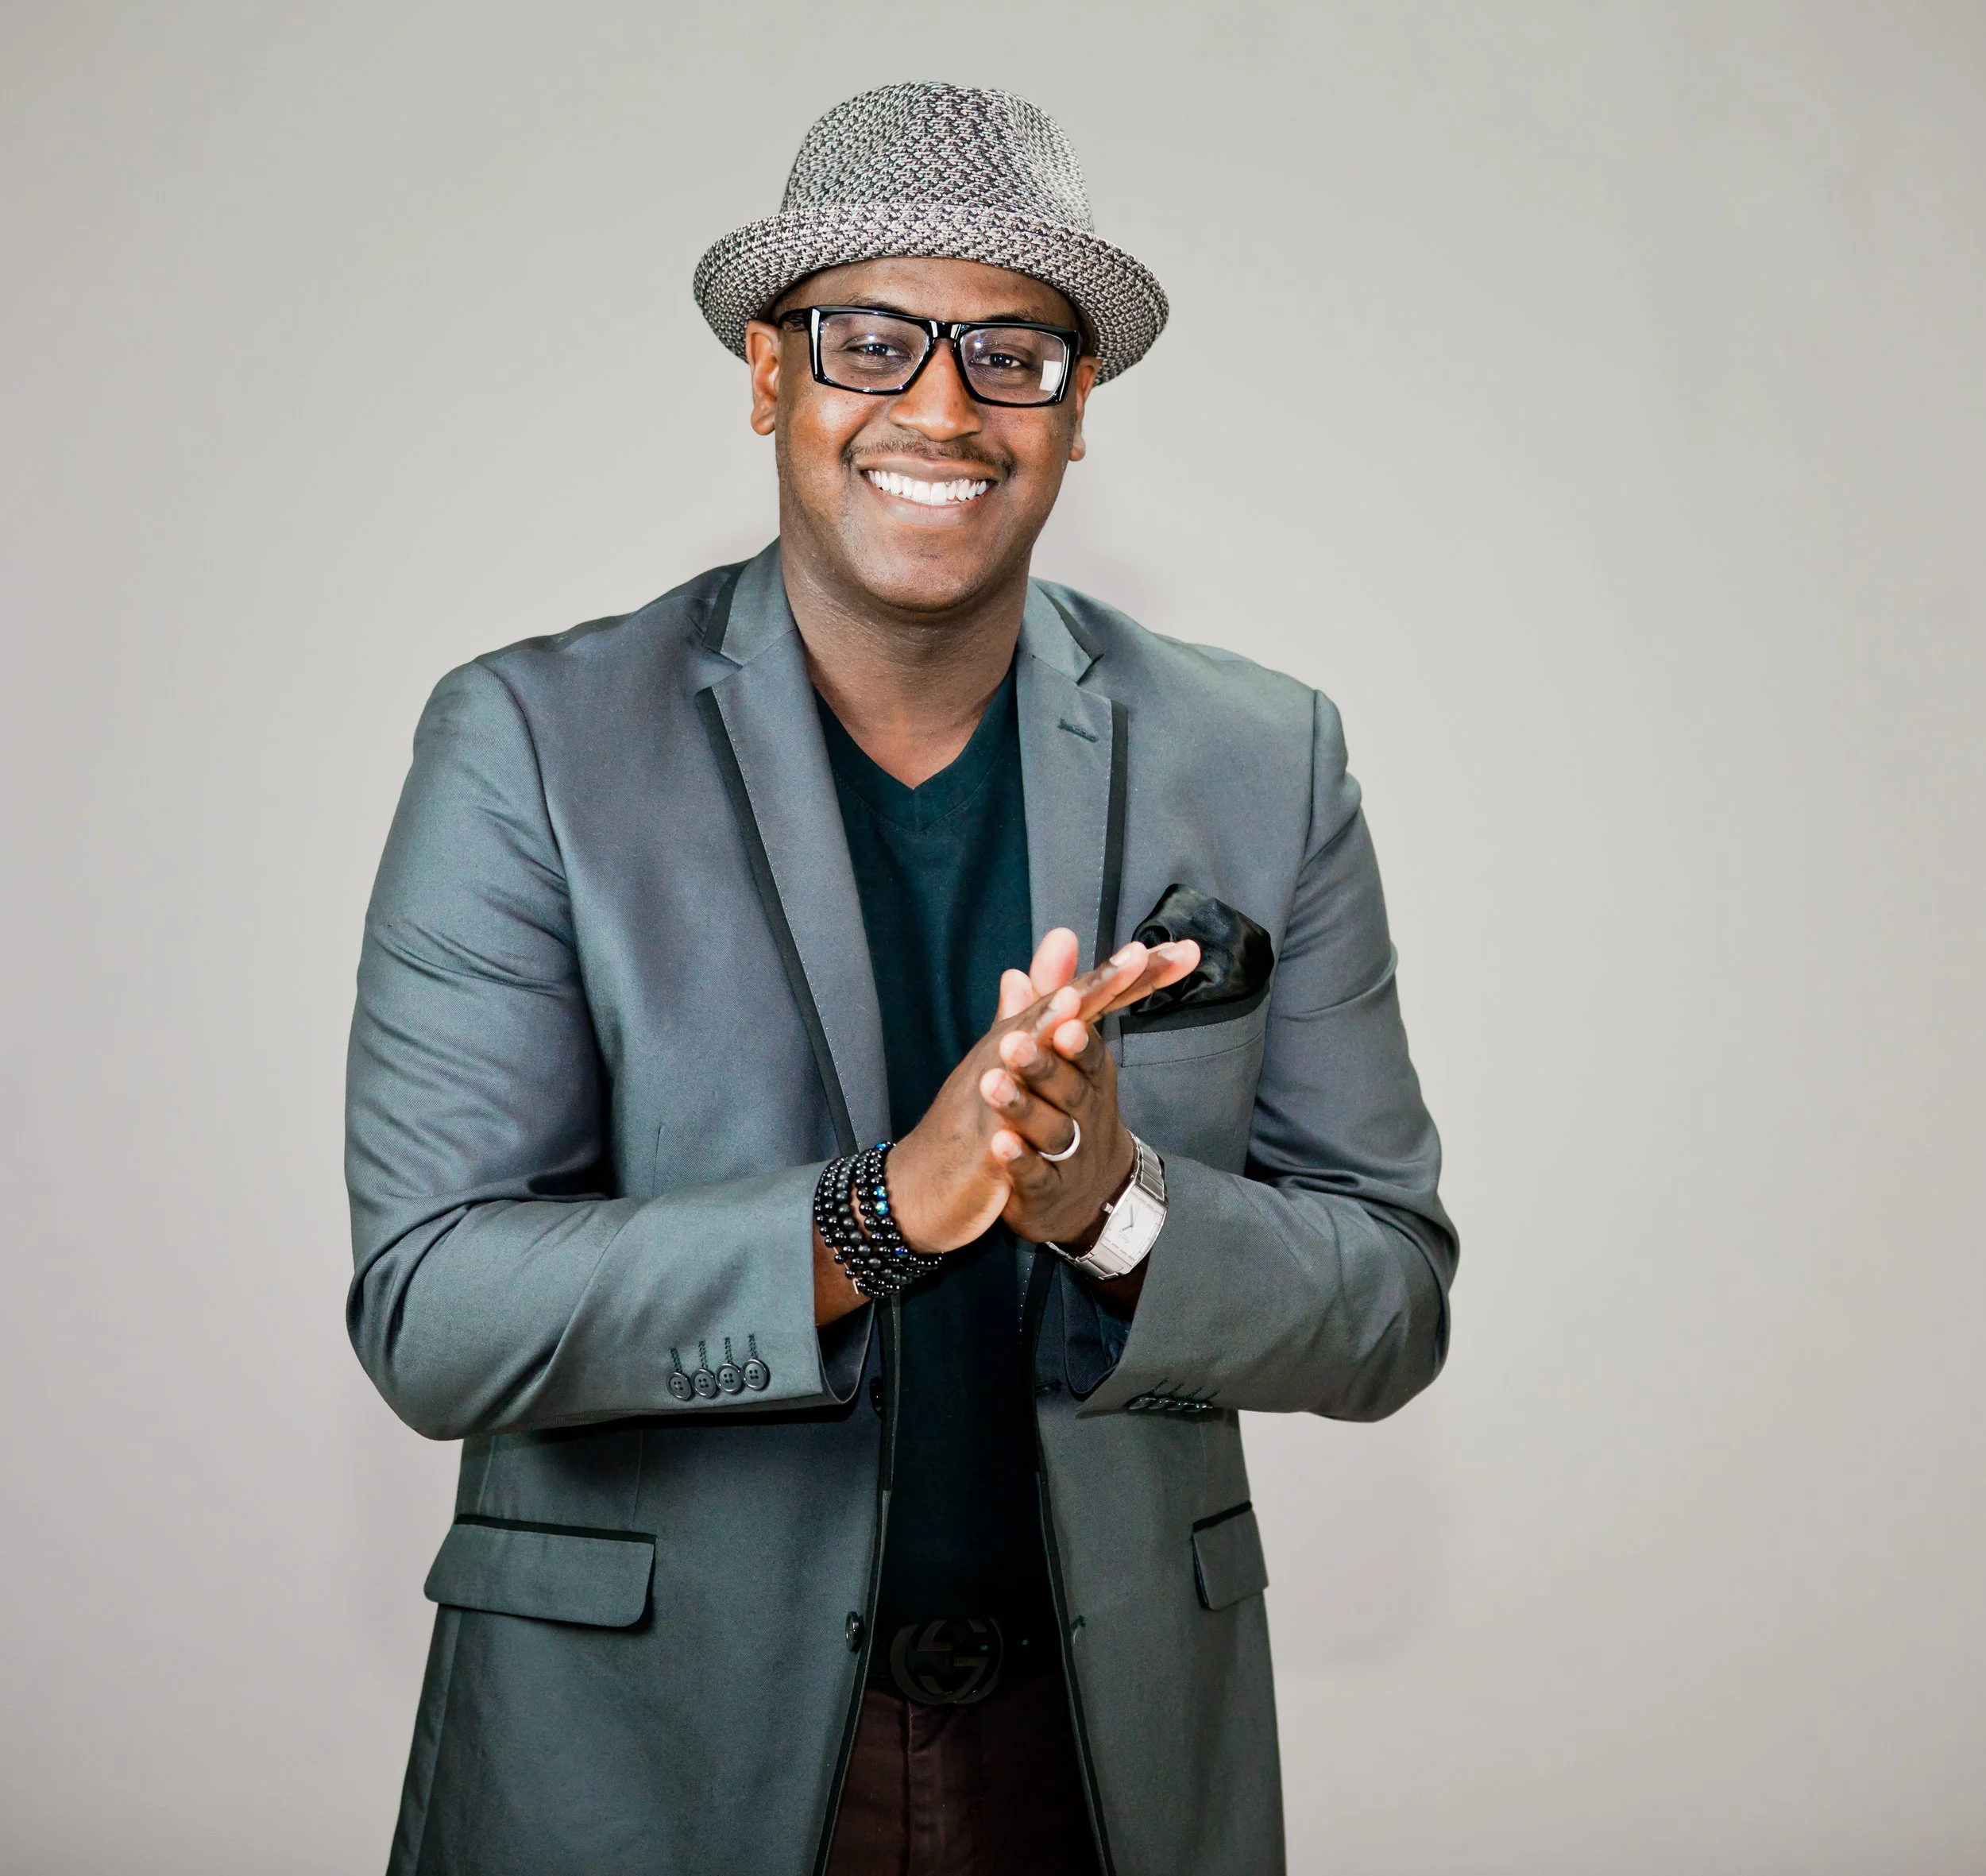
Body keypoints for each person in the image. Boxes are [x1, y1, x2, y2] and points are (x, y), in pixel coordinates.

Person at [346, 79, 1455, 1876]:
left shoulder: (1264, 758)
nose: (940, 406)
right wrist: (882, 1216)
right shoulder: (532, 746)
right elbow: (433, 1309)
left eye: (1011, 353)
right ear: (769, 376)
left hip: (1099, 1772)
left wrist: (1114, 1209)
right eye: (871, 340)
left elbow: (1389, 1295)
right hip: (642, 1771)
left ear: (1078, 410)